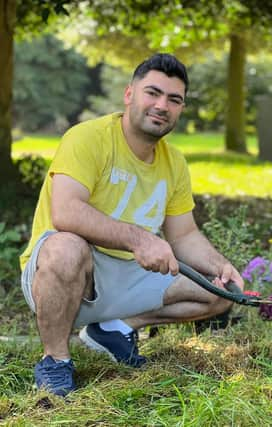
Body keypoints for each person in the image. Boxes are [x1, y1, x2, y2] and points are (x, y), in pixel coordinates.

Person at [19, 53, 245, 397]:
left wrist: (221, 266)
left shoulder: (174, 162)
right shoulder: (87, 138)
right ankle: (55, 360)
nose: (161, 105)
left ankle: (113, 329)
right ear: (129, 94)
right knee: (67, 245)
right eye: (152, 93)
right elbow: (66, 212)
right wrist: (140, 240)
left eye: (174, 99)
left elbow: (183, 234)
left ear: (181, 109)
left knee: (218, 292)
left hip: (126, 275)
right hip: (66, 272)